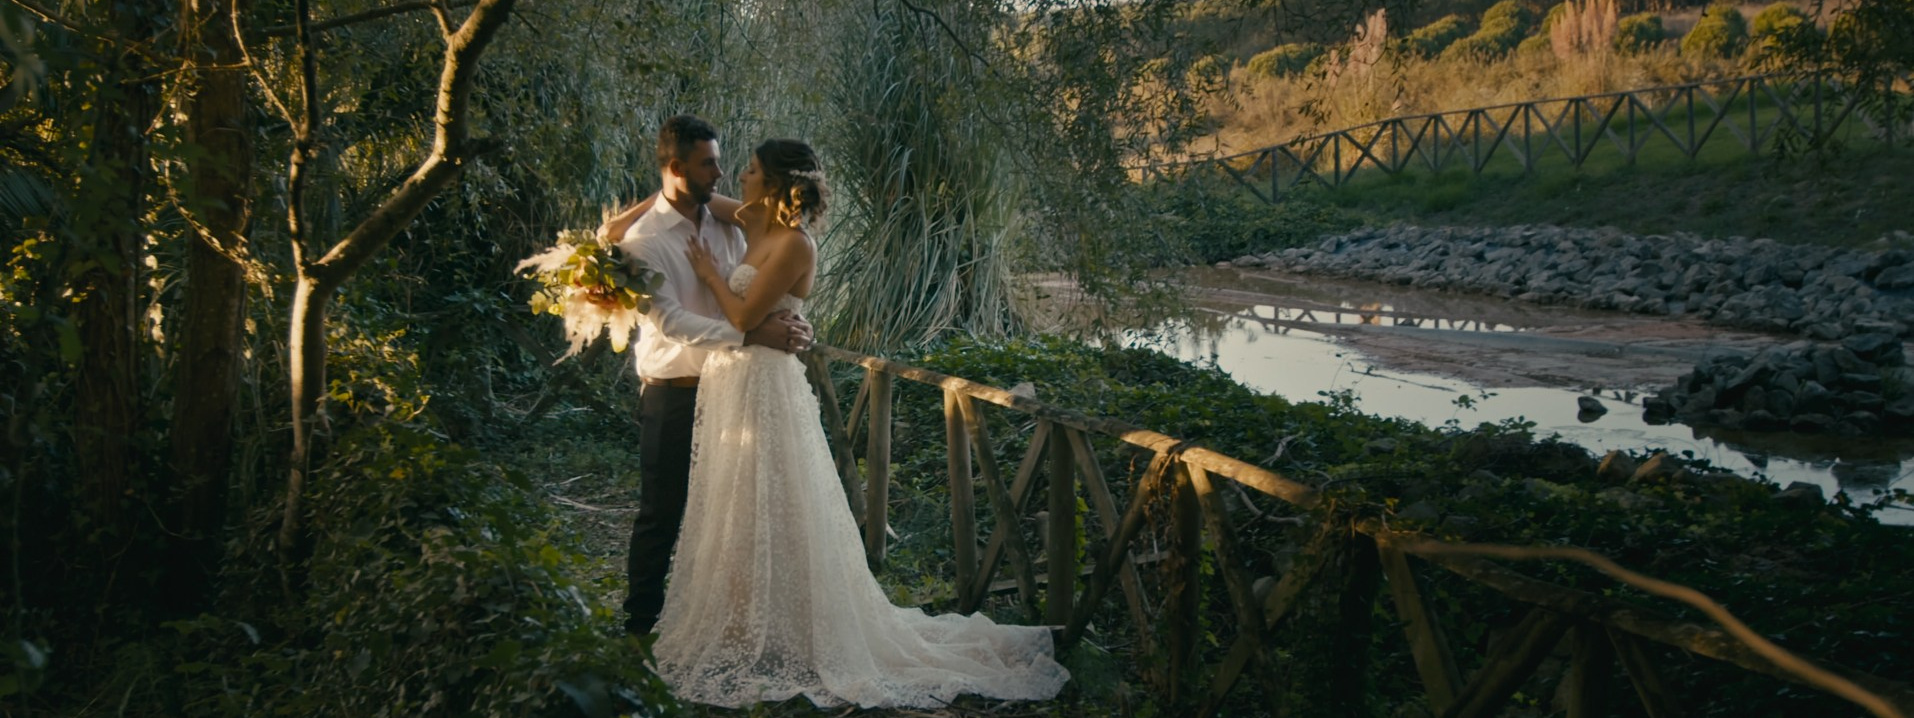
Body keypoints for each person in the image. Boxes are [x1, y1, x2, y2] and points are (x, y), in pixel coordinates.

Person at [648, 138, 1070, 709]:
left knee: (778, 497)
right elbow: (685, 200)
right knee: (739, 497)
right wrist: (614, 235)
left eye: (748, 171)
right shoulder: (752, 220)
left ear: (773, 184)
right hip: (731, 383)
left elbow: (744, 315)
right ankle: (744, 616)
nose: (737, 179)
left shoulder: (797, 244)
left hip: (766, 384)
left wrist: (708, 271)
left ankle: (794, 627)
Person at [601, 115, 814, 638]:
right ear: (677, 168)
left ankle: (734, 619)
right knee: (662, 512)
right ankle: (640, 623)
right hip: (675, 391)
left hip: (735, 389)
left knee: (732, 514)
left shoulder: (731, 220)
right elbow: (670, 321)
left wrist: (777, 323)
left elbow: (768, 270)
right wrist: (752, 334)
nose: (721, 172)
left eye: (724, 162)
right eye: (709, 163)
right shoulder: (643, 244)